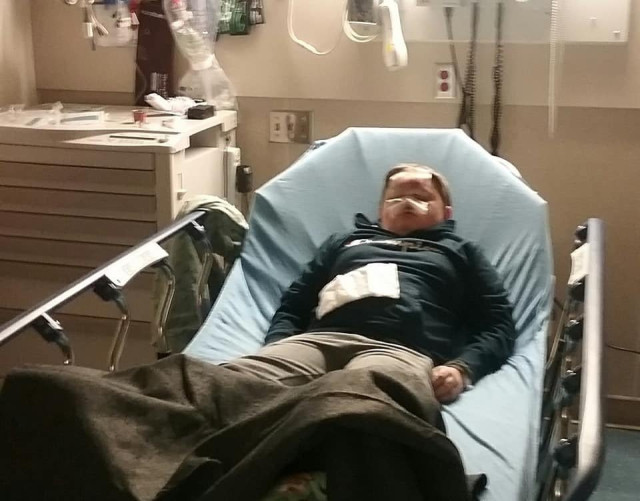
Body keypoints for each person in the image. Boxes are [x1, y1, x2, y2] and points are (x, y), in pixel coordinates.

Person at [224, 163, 516, 403]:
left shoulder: (461, 252)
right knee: (223, 388)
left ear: (447, 213)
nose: (407, 202)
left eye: (421, 197)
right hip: (318, 342)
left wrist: (462, 369)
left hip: (398, 351)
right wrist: (277, 346)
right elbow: (294, 304)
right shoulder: (344, 243)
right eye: (395, 197)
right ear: (380, 210)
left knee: (365, 408)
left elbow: (498, 325)